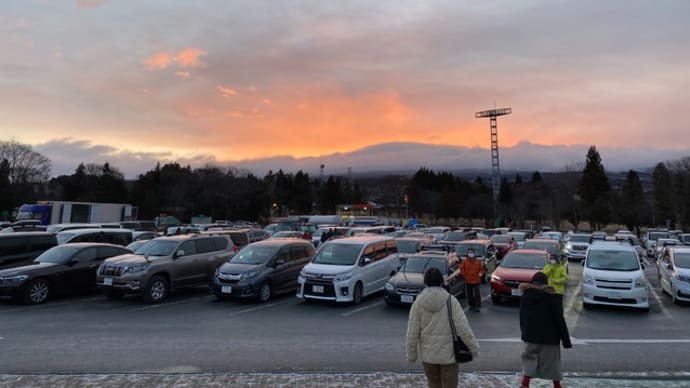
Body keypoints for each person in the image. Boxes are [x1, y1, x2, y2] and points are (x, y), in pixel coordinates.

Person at [406, 267, 480, 388]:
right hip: (449, 356)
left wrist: (411, 354)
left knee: (433, 384)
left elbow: (412, 331)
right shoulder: (451, 301)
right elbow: (463, 329)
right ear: (441, 282)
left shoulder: (418, 302)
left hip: (428, 356)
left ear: (425, 283)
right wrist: (473, 349)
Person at [518, 272, 572, 388]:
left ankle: (525, 383)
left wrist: (524, 333)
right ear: (546, 284)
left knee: (529, 359)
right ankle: (557, 385)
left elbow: (522, 317)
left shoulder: (525, 297)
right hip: (550, 337)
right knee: (552, 363)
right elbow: (559, 320)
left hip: (531, 335)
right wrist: (566, 341)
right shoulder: (553, 298)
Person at [459, 248, 484, 312]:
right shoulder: (465, 261)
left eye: (472, 252)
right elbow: (461, 269)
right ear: (467, 253)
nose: (471, 254)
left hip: (476, 280)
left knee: (477, 294)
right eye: (469, 252)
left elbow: (482, 269)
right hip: (468, 280)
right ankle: (471, 305)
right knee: (469, 294)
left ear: (474, 253)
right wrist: (464, 275)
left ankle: (477, 306)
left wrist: (480, 274)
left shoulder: (478, 261)